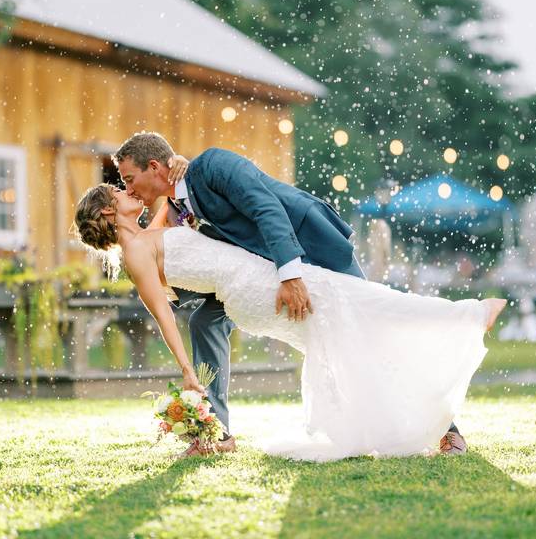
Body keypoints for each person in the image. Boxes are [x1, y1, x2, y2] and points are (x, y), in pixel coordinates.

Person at [74, 183, 506, 461]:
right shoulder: (135, 253)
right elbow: (163, 313)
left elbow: (169, 195)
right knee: (362, 303)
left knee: (351, 332)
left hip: (258, 280)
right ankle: (466, 315)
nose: (128, 189)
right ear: (110, 214)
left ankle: (409, 408)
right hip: (256, 289)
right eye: (118, 192)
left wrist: (178, 176)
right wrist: (187, 370)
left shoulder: (152, 230)